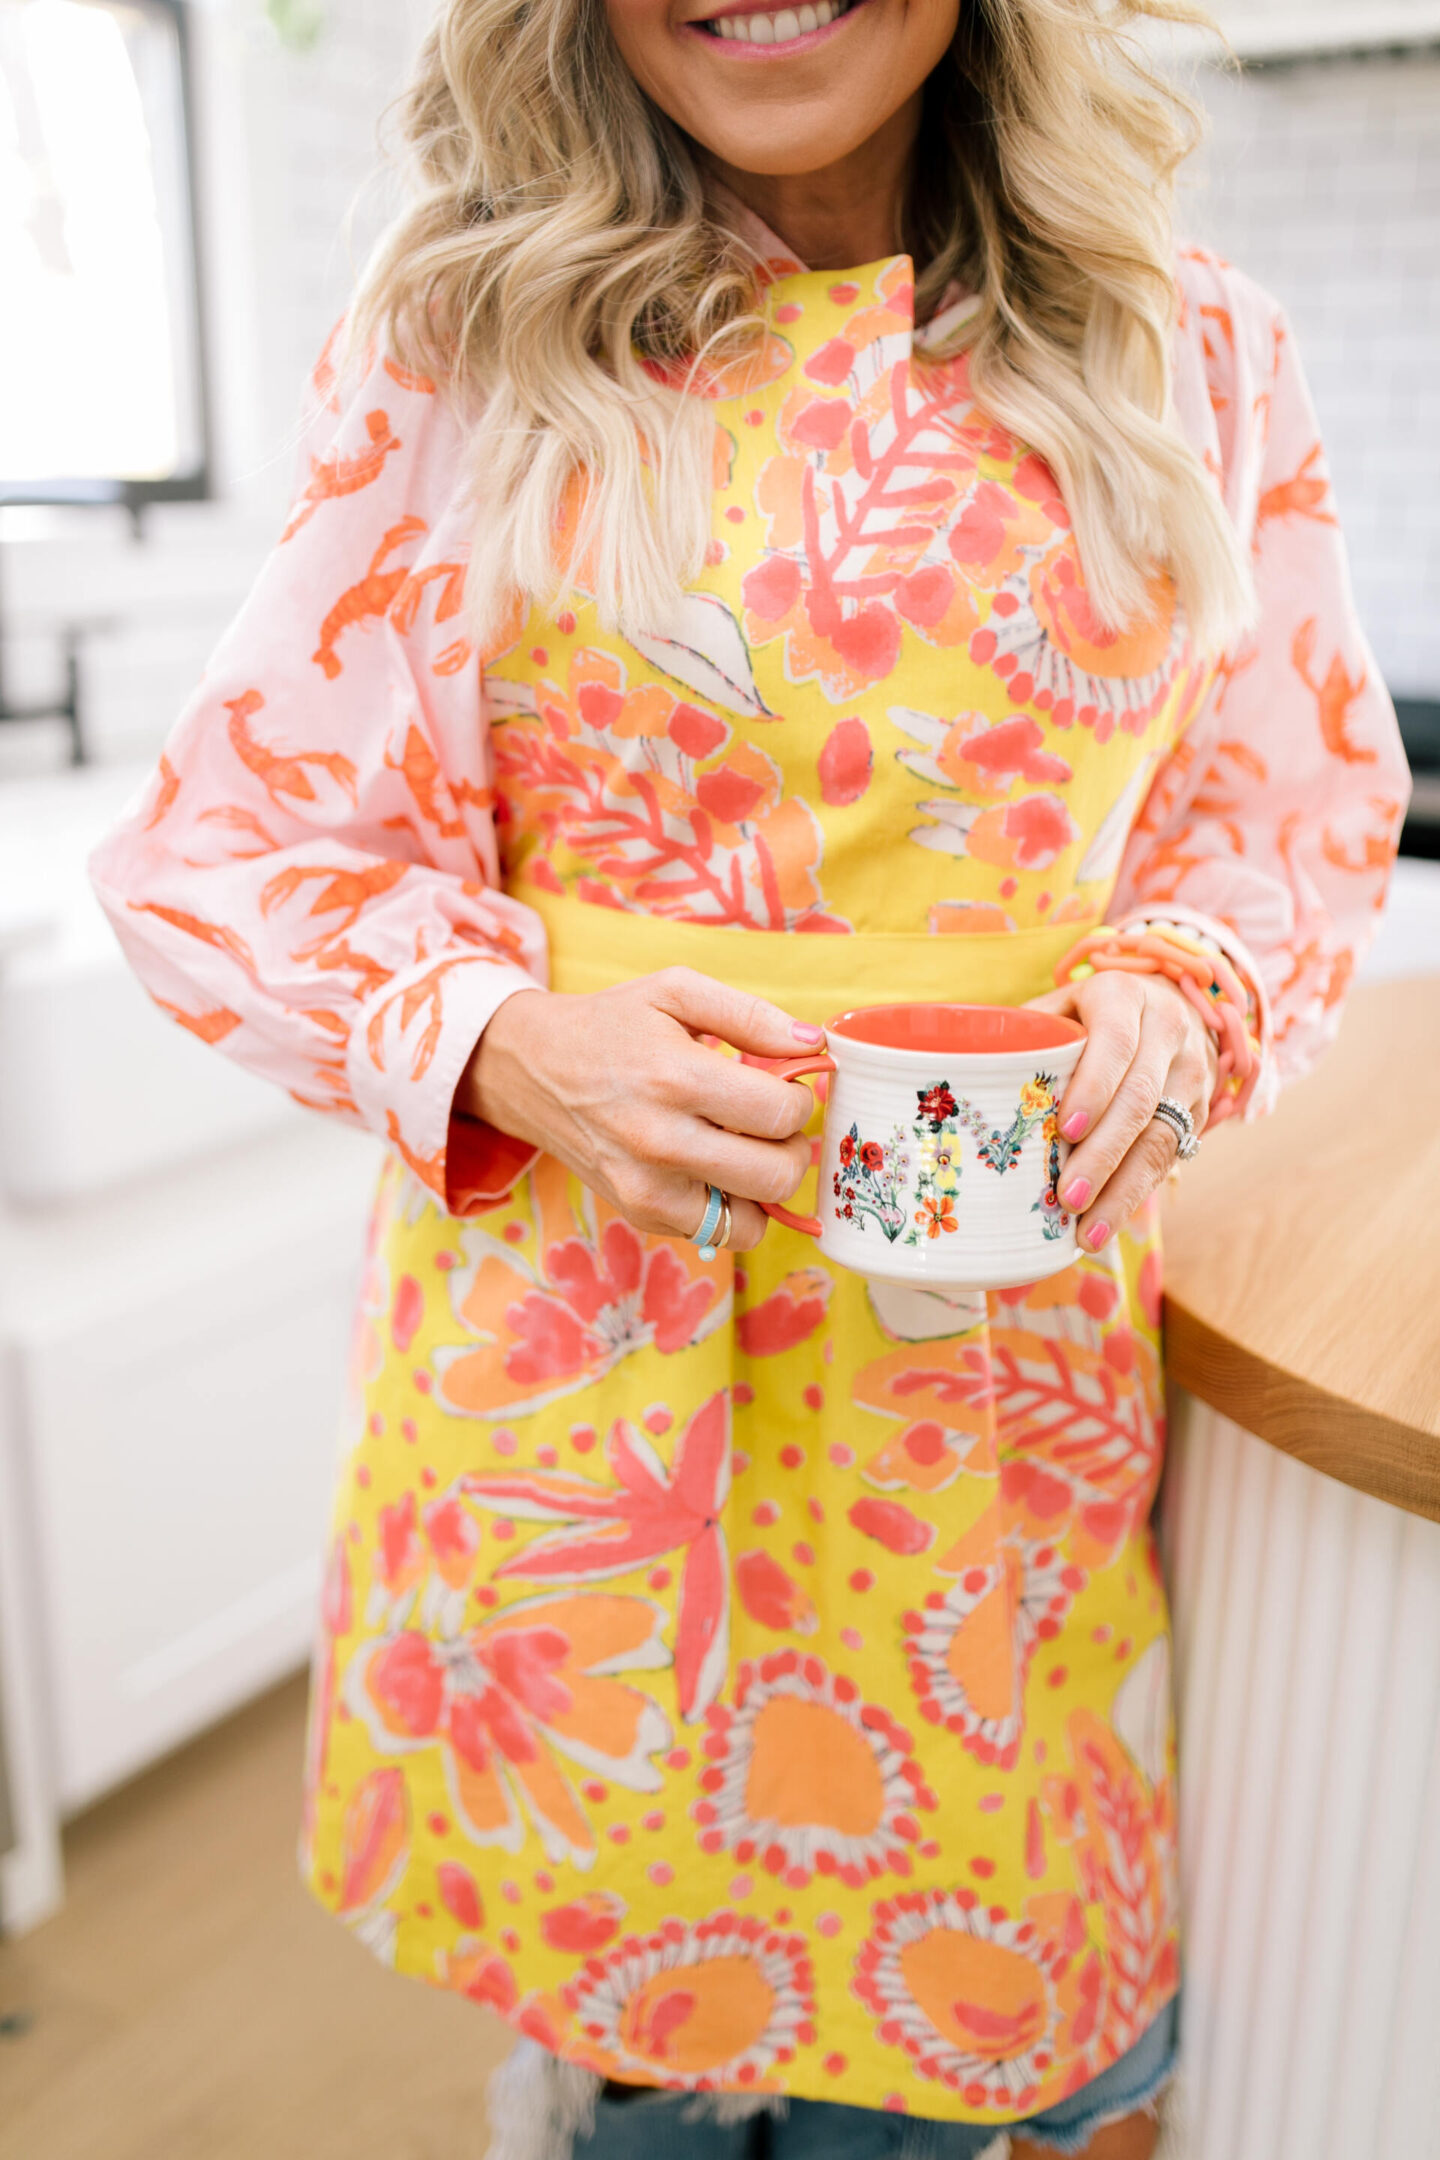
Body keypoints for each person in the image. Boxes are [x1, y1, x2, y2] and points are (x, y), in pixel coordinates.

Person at [90, 0, 1409, 2152]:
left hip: (986, 1395)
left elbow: (1290, 815)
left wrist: (1183, 978)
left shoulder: (1200, 350)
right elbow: (223, 849)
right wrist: (515, 1035)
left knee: (1016, 2037)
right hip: (584, 1390)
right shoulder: (465, 343)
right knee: (641, 2073)